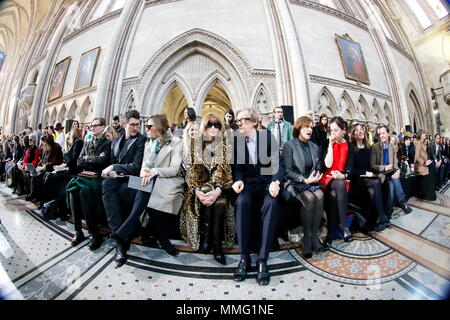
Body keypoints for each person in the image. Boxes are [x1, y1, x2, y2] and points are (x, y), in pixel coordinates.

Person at [110, 114, 184, 266]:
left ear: (158, 127)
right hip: (149, 181)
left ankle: (127, 230)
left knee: (147, 187)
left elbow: (175, 169)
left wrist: (154, 171)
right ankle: (160, 238)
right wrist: (144, 172)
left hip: (167, 181)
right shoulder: (148, 143)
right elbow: (144, 164)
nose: (146, 129)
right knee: (138, 187)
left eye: (149, 126)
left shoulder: (176, 142)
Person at [232, 108, 284, 286]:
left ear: (254, 122)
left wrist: (276, 181)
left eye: (242, 120)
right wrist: (237, 180)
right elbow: (237, 168)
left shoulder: (268, 138)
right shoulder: (237, 141)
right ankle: (244, 258)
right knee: (241, 202)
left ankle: (262, 259)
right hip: (247, 185)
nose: (239, 123)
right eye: (237, 121)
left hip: (265, 184)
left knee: (272, 204)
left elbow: (278, 164)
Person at [181, 113, 234, 265]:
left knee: (220, 203)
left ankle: (216, 243)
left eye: (216, 125)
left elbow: (224, 171)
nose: (213, 128)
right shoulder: (197, 145)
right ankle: (206, 236)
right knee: (205, 191)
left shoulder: (225, 146)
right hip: (199, 186)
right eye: (209, 125)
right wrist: (197, 190)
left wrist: (217, 191)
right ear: (204, 127)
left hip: (221, 187)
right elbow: (194, 171)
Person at [101, 110, 146, 267]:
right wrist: (112, 171)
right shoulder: (117, 140)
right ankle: (120, 235)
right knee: (106, 184)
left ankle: (120, 242)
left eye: (137, 125)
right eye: (132, 124)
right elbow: (113, 158)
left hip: (135, 180)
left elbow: (136, 167)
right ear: (124, 124)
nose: (135, 128)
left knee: (119, 190)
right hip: (119, 177)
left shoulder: (142, 140)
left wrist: (114, 167)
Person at [282, 116, 324, 258]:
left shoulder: (314, 146)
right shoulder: (289, 145)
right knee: (310, 198)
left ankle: (314, 236)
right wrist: (304, 180)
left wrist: (316, 176)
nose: (310, 130)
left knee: (320, 195)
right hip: (296, 182)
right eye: (306, 127)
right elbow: (287, 171)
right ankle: (307, 238)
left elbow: (317, 166)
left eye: (311, 127)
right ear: (299, 128)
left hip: (310, 181)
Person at [67, 118, 111, 250]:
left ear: (103, 127)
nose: (92, 127)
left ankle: (95, 233)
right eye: (91, 125)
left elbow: (104, 161)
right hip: (84, 175)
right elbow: (79, 162)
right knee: (74, 191)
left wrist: (88, 158)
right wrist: (92, 159)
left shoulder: (107, 143)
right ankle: (78, 231)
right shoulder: (87, 142)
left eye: (95, 125)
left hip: (98, 177)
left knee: (82, 192)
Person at [319, 116, 354, 250]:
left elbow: (350, 165)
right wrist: (330, 146)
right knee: (337, 186)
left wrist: (343, 175)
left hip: (340, 179)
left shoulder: (349, 145)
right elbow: (326, 164)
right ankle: (344, 226)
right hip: (327, 178)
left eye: (336, 130)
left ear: (343, 130)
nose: (333, 133)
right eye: (331, 130)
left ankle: (330, 235)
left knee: (335, 193)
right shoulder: (326, 143)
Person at [349, 124, 388, 232]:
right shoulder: (351, 147)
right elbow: (351, 169)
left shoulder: (368, 148)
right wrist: (364, 173)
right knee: (375, 184)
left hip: (368, 179)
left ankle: (369, 222)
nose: (360, 131)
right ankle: (382, 218)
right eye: (356, 130)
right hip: (356, 180)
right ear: (353, 134)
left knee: (373, 190)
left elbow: (371, 166)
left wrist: (374, 173)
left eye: (361, 130)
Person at [371, 125, 413, 218]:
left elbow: (395, 163)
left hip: (392, 171)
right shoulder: (375, 147)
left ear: (388, 134)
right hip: (382, 173)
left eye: (383, 133)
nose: (381, 136)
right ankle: (395, 206)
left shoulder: (392, 147)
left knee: (395, 179)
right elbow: (372, 165)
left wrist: (397, 171)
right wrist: (384, 167)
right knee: (391, 185)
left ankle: (399, 204)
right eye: (380, 134)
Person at [414, 129, 436, 201]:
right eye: (423, 133)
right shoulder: (418, 143)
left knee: (432, 167)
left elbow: (426, 155)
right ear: (420, 134)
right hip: (420, 165)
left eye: (425, 133)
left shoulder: (424, 143)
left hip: (425, 163)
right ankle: (427, 195)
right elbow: (417, 157)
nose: (425, 134)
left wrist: (427, 160)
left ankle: (429, 194)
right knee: (430, 171)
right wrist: (424, 162)